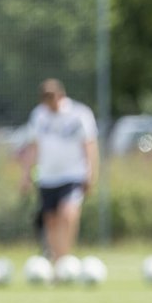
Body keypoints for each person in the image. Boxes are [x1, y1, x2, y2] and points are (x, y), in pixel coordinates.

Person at [18, 79, 99, 261]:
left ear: (61, 96)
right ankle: (55, 261)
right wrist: (26, 175)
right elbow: (33, 147)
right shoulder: (38, 116)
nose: (49, 104)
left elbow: (89, 145)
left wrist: (90, 172)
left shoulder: (79, 114)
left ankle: (65, 258)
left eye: (52, 99)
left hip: (73, 174)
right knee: (51, 220)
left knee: (68, 214)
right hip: (47, 176)